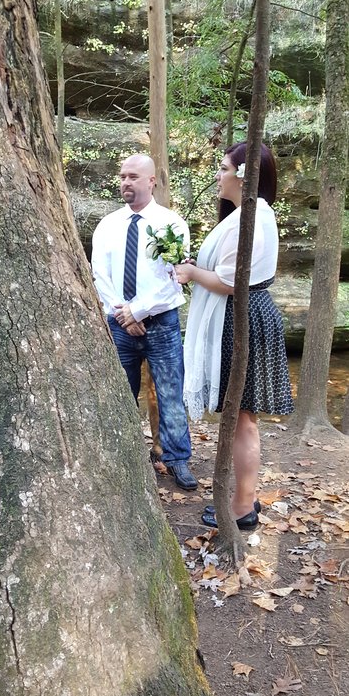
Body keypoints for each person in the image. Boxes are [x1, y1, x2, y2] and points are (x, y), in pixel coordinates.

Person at [174, 141, 294, 530]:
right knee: (242, 417)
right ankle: (243, 498)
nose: (218, 175)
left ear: (244, 177)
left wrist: (191, 273)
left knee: (243, 419)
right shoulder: (247, 214)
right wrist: (198, 268)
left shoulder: (253, 218)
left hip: (243, 319)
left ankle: (243, 507)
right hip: (243, 315)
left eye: (224, 168)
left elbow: (230, 282)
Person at [91, 153, 197, 490]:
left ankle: (177, 458)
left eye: (133, 177)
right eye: (123, 176)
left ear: (152, 181)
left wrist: (139, 312)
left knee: (170, 392)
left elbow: (173, 279)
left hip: (161, 322)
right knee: (121, 392)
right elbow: (100, 275)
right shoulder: (107, 226)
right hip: (119, 324)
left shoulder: (171, 225)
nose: (125, 182)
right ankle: (123, 457)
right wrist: (123, 314)